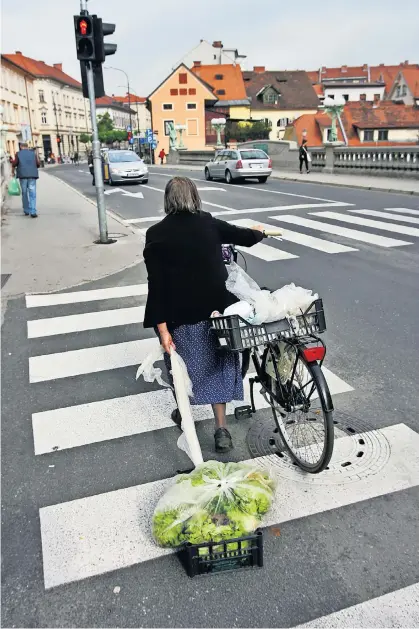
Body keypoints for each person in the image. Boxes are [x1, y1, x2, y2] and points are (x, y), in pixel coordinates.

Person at [143, 177, 266, 453]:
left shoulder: (156, 234)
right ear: (195, 197)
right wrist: (261, 233)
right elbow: (242, 235)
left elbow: (156, 285)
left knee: (180, 367)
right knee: (219, 367)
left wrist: (162, 330)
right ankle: (221, 428)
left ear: (167, 200)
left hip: (180, 317)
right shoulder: (208, 222)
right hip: (216, 315)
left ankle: (183, 413)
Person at [11, 143, 40, 217]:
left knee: (24, 193)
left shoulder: (18, 154)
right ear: (27, 147)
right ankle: (33, 211)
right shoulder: (33, 153)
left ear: (21, 147)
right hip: (32, 175)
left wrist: (12, 165)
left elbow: (14, 164)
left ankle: (26, 210)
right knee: (32, 193)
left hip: (23, 175)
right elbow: (38, 164)